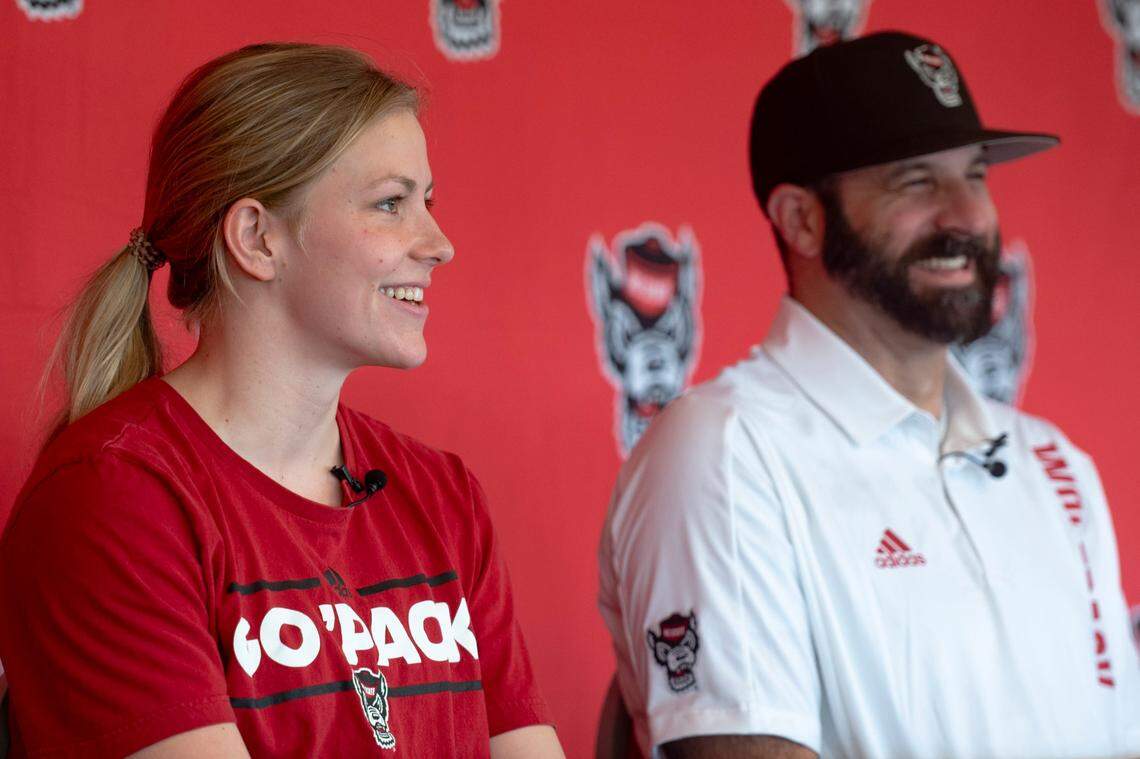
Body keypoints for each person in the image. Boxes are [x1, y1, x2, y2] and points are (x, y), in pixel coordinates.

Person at [0, 43, 564, 759]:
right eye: (391, 203)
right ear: (257, 238)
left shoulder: (443, 495)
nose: (439, 243)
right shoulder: (111, 498)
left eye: (429, 201)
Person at [598, 31, 1140, 759]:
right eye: (915, 181)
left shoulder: (1056, 463)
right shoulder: (727, 453)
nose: (967, 216)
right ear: (802, 220)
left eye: (974, 175)